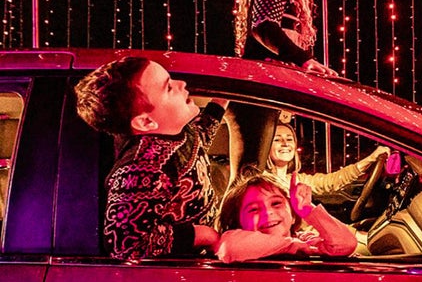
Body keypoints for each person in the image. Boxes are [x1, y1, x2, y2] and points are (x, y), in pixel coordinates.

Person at [74, 56, 228, 260]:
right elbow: (126, 246)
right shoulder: (140, 170)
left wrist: (220, 102)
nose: (182, 84)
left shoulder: (174, 129)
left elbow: (198, 138)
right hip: (185, 268)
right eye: (169, 88)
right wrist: (203, 235)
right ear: (146, 122)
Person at [227, 0, 337, 186]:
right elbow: (264, 26)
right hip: (255, 93)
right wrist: (303, 60)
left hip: (258, 92)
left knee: (249, 174)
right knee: (248, 176)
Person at [215, 172, 357, 263]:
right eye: (253, 209)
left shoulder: (305, 239)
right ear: (238, 222)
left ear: (293, 215)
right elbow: (230, 246)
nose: (267, 212)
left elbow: (346, 244)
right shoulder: (237, 241)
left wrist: (307, 209)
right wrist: (293, 245)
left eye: (276, 203)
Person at [267, 122, 390, 196]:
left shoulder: (295, 180)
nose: (285, 144)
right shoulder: (264, 183)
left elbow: (331, 181)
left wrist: (370, 159)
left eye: (289, 139)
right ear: (266, 146)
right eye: (277, 139)